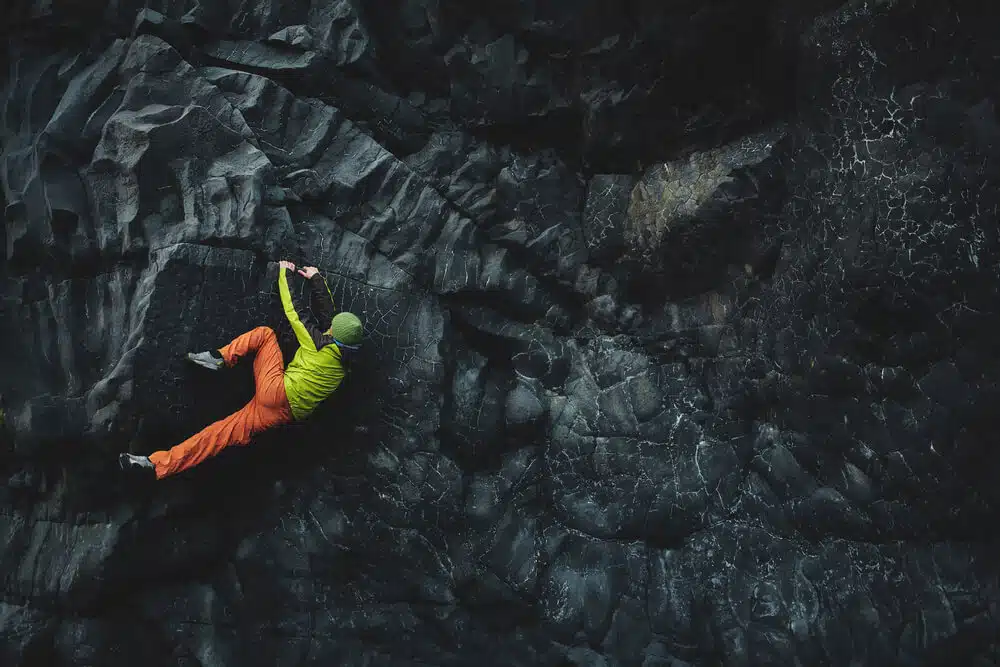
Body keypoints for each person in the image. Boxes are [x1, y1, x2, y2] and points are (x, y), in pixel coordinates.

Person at [119, 260, 363, 479]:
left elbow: (295, 314)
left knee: (265, 335)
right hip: (283, 414)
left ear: (333, 336)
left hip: (276, 390)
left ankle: (221, 358)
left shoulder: (318, 345)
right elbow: (331, 318)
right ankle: (156, 465)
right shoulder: (346, 362)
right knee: (217, 435)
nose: (329, 328)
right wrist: (317, 279)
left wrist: (284, 273)